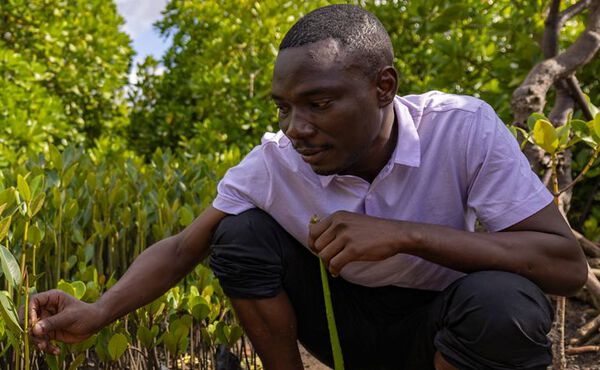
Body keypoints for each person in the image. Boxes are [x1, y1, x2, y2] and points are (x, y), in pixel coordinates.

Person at [27, 4, 587, 370]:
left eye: (318, 103)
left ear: (383, 87)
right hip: (343, 331)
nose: (296, 127)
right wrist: (97, 312)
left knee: (503, 303)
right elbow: (181, 249)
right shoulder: (275, 161)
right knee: (239, 234)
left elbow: (563, 266)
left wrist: (404, 235)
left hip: (442, 330)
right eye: (284, 107)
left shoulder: (462, 128)